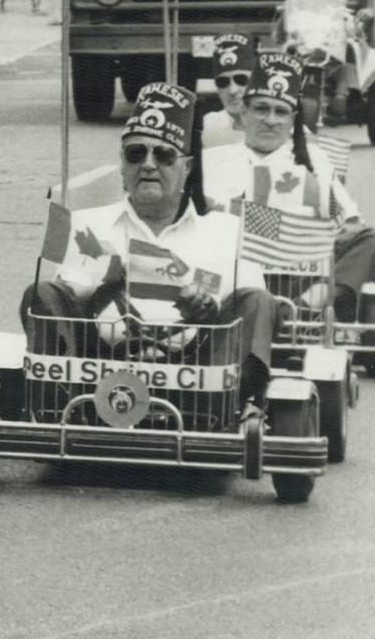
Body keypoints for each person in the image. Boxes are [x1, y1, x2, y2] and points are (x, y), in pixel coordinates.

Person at [25, 83, 275, 405]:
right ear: (123, 165)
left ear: (186, 168)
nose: (148, 164)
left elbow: (254, 307)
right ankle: (55, 403)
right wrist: (108, 282)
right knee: (42, 293)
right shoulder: (88, 224)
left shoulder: (228, 231)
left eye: (164, 155)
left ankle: (232, 407)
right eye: (136, 153)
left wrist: (209, 311)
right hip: (99, 367)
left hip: (201, 373)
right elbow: (67, 298)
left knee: (258, 301)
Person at [201, 53, 375, 324]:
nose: (270, 120)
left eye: (280, 112)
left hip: (300, 278)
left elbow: (349, 223)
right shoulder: (213, 161)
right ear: (243, 113)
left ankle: (302, 309)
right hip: (237, 280)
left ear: (292, 119)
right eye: (261, 109)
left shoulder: (314, 159)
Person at [200, 32, 257, 149]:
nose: (232, 90)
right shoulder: (208, 126)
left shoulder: (284, 125)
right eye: (223, 82)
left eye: (241, 80)